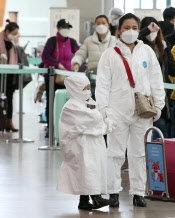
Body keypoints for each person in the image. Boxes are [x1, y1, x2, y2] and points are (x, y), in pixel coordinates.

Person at [96, 13, 165, 207]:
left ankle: (138, 192)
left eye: (134, 27)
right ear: (118, 31)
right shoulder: (109, 54)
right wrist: (104, 110)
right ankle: (113, 192)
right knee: (115, 153)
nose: (131, 31)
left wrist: (158, 105)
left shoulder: (147, 52)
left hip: (142, 112)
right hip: (117, 112)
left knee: (139, 153)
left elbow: (156, 80)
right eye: (126, 28)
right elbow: (102, 85)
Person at [56, 74, 113, 210]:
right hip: (80, 145)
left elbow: (95, 118)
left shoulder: (87, 102)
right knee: (88, 169)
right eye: (84, 88)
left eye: (89, 87)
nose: (88, 91)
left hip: (91, 143)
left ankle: (84, 201)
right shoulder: (72, 106)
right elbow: (94, 118)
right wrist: (101, 119)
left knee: (89, 170)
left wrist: (98, 119)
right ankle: (96, 197)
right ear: (76, 89)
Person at [138, 17, 175, 139]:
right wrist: (146, 31)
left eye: (154, 29)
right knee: (143, 128)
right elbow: (136, 39)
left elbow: (171, 67)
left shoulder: (163, 47)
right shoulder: (138, 48)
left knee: (161, 127)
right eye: (148, 29)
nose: (151, 33)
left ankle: (160, 154)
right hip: (142, 94)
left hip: (161, 93)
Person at [41, 19, 80, 138]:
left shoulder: (72, 42)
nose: (66, 30)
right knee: (51, 101)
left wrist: (77, 64)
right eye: (64, 27)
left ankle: (65, 128)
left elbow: (79, 54)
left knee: (67, 102)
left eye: (68, 27)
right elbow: (45, 56)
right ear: (58, 28)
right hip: (52, 77)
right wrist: (57, 64)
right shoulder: (52, 41)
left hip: (66, 77)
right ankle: (50, 127)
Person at [71, 15, 116, 95]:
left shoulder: (114, 41)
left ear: (108, 25)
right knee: (92, 103)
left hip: (109, 80)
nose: (101, 25)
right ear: (95, 26)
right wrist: (76, 63)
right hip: (92, 79)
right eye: (98, 23)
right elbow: (80, 55)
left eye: (103, 23)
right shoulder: (89, 40)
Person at [0, 19, 19, 132]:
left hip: (9, 75)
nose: (14, 36)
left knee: (9, 99)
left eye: (16, 34)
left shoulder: (12, 44)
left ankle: (8, 122)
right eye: (13, 33)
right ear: (7, 31)